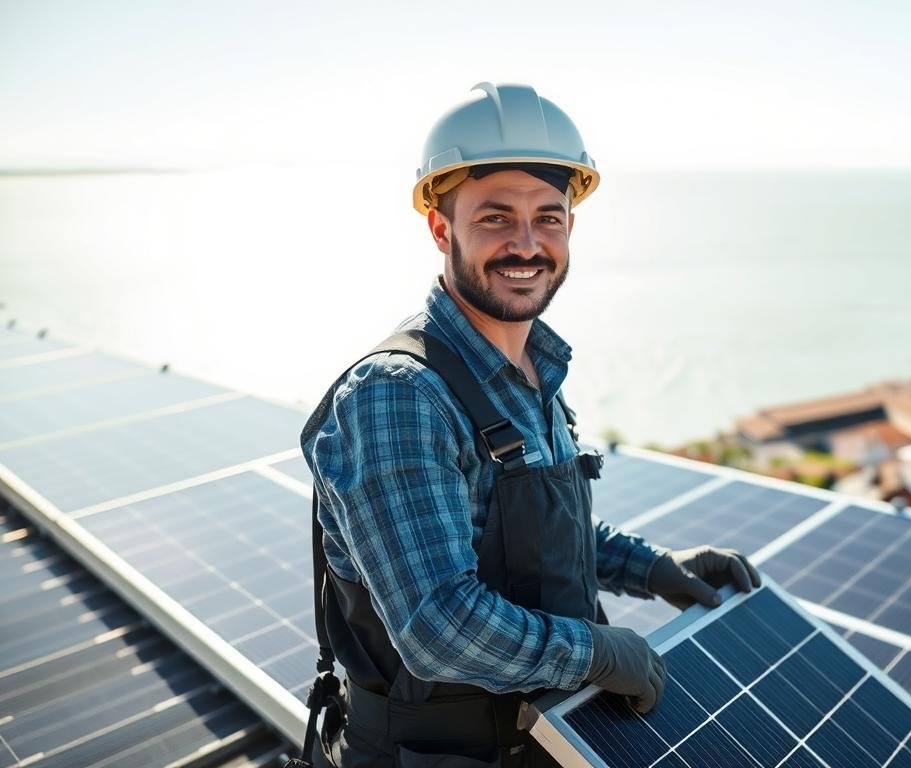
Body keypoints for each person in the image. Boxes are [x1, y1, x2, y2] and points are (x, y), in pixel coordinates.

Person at [292, 82, 761, 768]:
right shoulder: (399, 397)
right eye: (495, 218)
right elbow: (438, 626)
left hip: (543, 740)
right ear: (440, 228)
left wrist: (656, 567)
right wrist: (597, 652)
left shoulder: (536, 368)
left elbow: (531, 543)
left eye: (549, 216)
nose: (526, 243)